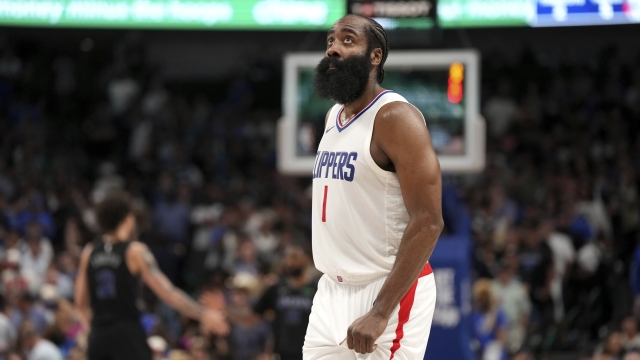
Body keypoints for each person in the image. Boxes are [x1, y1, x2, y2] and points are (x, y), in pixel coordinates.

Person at [304, 14, 442, 360]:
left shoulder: (395, 118)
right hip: (331, 291)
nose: (334, 48)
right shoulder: (332, 118)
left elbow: (428, 220)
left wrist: (381, 311)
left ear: (375, 56)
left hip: (386, 289)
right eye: (331, 41)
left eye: (347, 40)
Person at [74, 192, 228, 360]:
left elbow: (80, 303)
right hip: (127, 334)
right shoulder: (135, 251)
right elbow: (168, 292)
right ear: (128, 219)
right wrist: (203, 314)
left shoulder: (88, 252)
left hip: (99, 335)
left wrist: (92, 331)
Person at [254, 244, 317, 360]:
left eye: (295, 258)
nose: (290, 263)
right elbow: (253, 316)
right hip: (282, 352)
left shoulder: (318, 289)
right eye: (288, 258)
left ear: (307, 260)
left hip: (311, 352)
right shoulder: (276, 289)